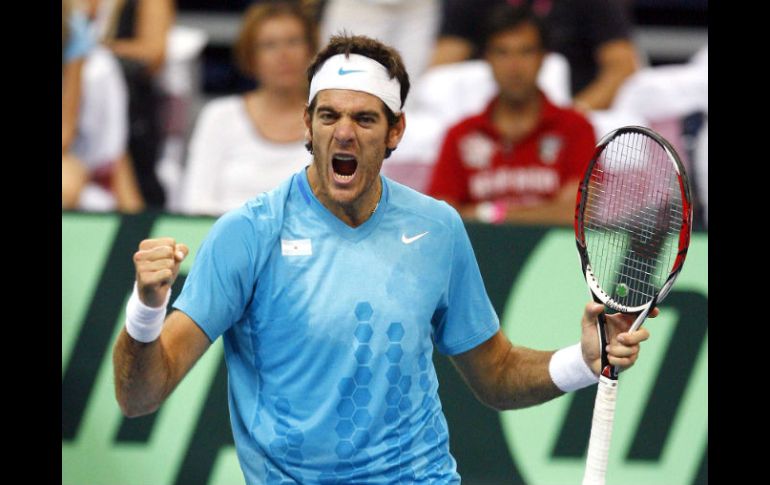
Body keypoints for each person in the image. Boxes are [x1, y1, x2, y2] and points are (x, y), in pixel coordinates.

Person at [113, 34, 651, 483]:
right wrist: (146, 310)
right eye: (329, 115)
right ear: (308, 125)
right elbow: (139, 397)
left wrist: (583, 361)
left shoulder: (437, 228)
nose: (344, 132)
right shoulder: (247, 235)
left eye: (365, 119)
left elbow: (497, 373)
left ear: (396, 131)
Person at [427, 5, 596, 225]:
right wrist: (545, 211)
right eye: (502, 52)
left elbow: (577, 214)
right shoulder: (460, 134)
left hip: (554, 248)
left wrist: (489, 214)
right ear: (487, 58)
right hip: (479, 248)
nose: (514, 66)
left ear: (543, 58)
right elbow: (440, 218)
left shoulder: (576, 128)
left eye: (526, 52)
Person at [178, 1, 317, 216]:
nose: (283, 55)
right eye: (269, 45)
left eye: (293, 42)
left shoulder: (333, 120)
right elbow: (195, 202)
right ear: (251, 57)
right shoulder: (219, 115)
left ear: (311, 50)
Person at [431, 0, 640, 111]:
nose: (515, 65)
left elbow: (622, 67)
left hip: (573, 111)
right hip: (487, 119)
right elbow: (439, 72)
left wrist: (573, 115)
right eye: (502, 52)